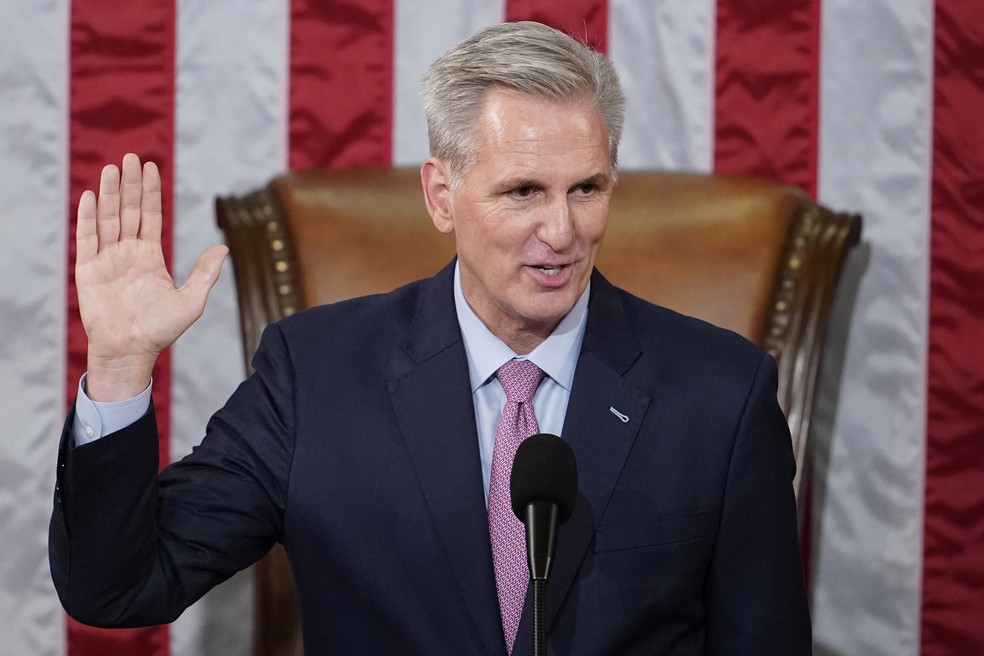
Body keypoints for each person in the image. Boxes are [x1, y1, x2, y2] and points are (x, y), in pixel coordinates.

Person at [49, 21, 811, 655]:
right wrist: (118, 368)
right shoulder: (316, 378)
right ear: (441, 195)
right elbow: (117, 588)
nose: (563, 231)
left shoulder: (720, 395)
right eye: (523, 192)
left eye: (587, 188)